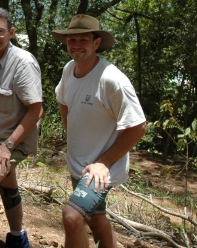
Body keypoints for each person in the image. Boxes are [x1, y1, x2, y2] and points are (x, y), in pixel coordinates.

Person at [52, 14, 146, 248]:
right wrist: (70, 134)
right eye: (71, 40)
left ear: (96, 43)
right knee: (95, 217)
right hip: (79, 163)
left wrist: (103, 162)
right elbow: (63, 100)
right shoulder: (69, 70)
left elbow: (138, 126)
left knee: (72, 217)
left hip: (101, 169)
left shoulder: (112, 80)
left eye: (83, 40)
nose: (76, 46)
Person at [0, 8, 43, 248]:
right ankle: (17, 238)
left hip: (13, 142)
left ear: (10, 32)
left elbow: (36, 110)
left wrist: (8, 146)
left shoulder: (22, 63)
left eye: (0, 31)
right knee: (8, 190)